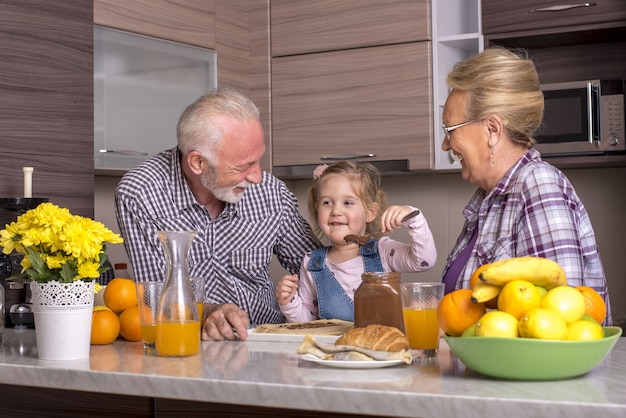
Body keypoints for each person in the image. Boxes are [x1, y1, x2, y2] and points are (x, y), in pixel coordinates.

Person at [115, 88, 320, 340]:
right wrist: (210, 312)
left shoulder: (271, 191)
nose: (257, 177)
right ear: (198, 163)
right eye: (243, 166)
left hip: (268, 340)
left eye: (258, 160)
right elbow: (157, 295)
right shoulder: (141, 193)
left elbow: (318, 271)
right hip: (188, 344)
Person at [439, 47, 612, 324]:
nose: (445, 144)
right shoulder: (489, 201)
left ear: (492, 130)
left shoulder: (538, 186)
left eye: (450, 130)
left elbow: (560, 321)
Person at [276, 160, 437, 322]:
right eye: (327, 203)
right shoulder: (312, 263)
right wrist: (289, 303)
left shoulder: (383, 251)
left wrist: (412, 216)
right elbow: (307, 322)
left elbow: (424, 260)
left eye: (348, 203)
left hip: (381, 345)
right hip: (334, 347)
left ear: (370, 212)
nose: (336, 211)